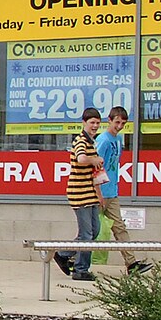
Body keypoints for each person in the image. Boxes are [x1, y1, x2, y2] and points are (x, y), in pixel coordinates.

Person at [95, 106, 146, 274]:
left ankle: (131, 264)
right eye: (117, 122)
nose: (119, 126)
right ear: (109, 120)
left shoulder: (118, 140)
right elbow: (95, 167)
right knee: (91, 231)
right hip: (100, 192)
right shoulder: (103, 140)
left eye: (123, 123)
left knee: (119, 228)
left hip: (112, 192)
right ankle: (67, 254)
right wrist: (98, 193)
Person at [56, 108, 104, 281]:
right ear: (84, 123)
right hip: (79, 192)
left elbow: (93, 172)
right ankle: (80, 269)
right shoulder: (80, 141)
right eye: (92, 122)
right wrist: (95, 160)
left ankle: (63, 253)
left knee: (94, 231)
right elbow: (81, 159)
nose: (95, 126)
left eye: (98, 123)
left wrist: (99, 195)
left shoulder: (92, 142)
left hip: (90, 192)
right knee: (86, 234)